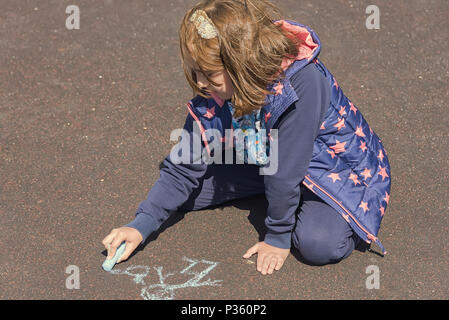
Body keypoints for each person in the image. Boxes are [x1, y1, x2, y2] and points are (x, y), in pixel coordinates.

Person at [102, 0, 391, 275]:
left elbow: (283, 173)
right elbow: (182, 167)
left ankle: (312, 209)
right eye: (195, 71)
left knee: (318, 243)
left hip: (336, 171)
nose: (200, 83)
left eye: (209, 73)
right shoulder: (216, 89)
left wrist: (277, 236)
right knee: (182, 195)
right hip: (268, 158)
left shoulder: (302, 84)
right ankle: (284, 200)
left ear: (241, 61)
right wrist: (141, 225)